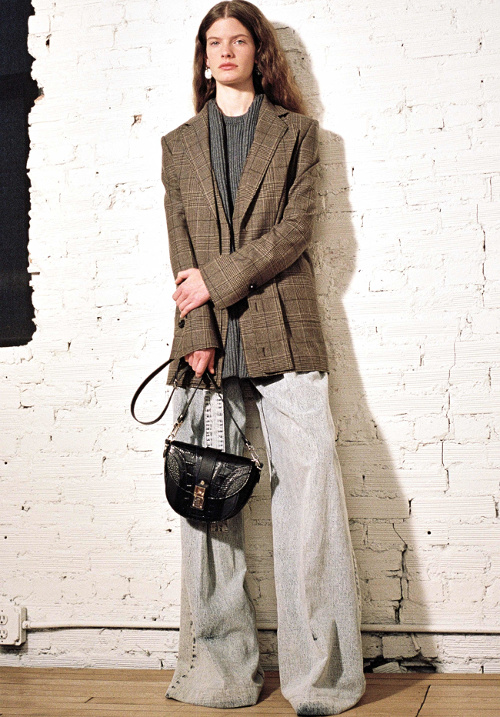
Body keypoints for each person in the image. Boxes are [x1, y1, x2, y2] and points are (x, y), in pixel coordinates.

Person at [159, 2, 366, 714]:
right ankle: (220, 675)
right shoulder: (178, 144)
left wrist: (215, 282)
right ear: (203, 55)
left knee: (311, 500)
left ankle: (322, 680)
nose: (224, 51)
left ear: (259, 52)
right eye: (213, 41)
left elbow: (294, 233)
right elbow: (182, 251)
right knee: (208, 505)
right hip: (208, 339)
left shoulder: (299, 134)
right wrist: (199, 328)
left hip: (286, 326)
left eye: (238, 40)